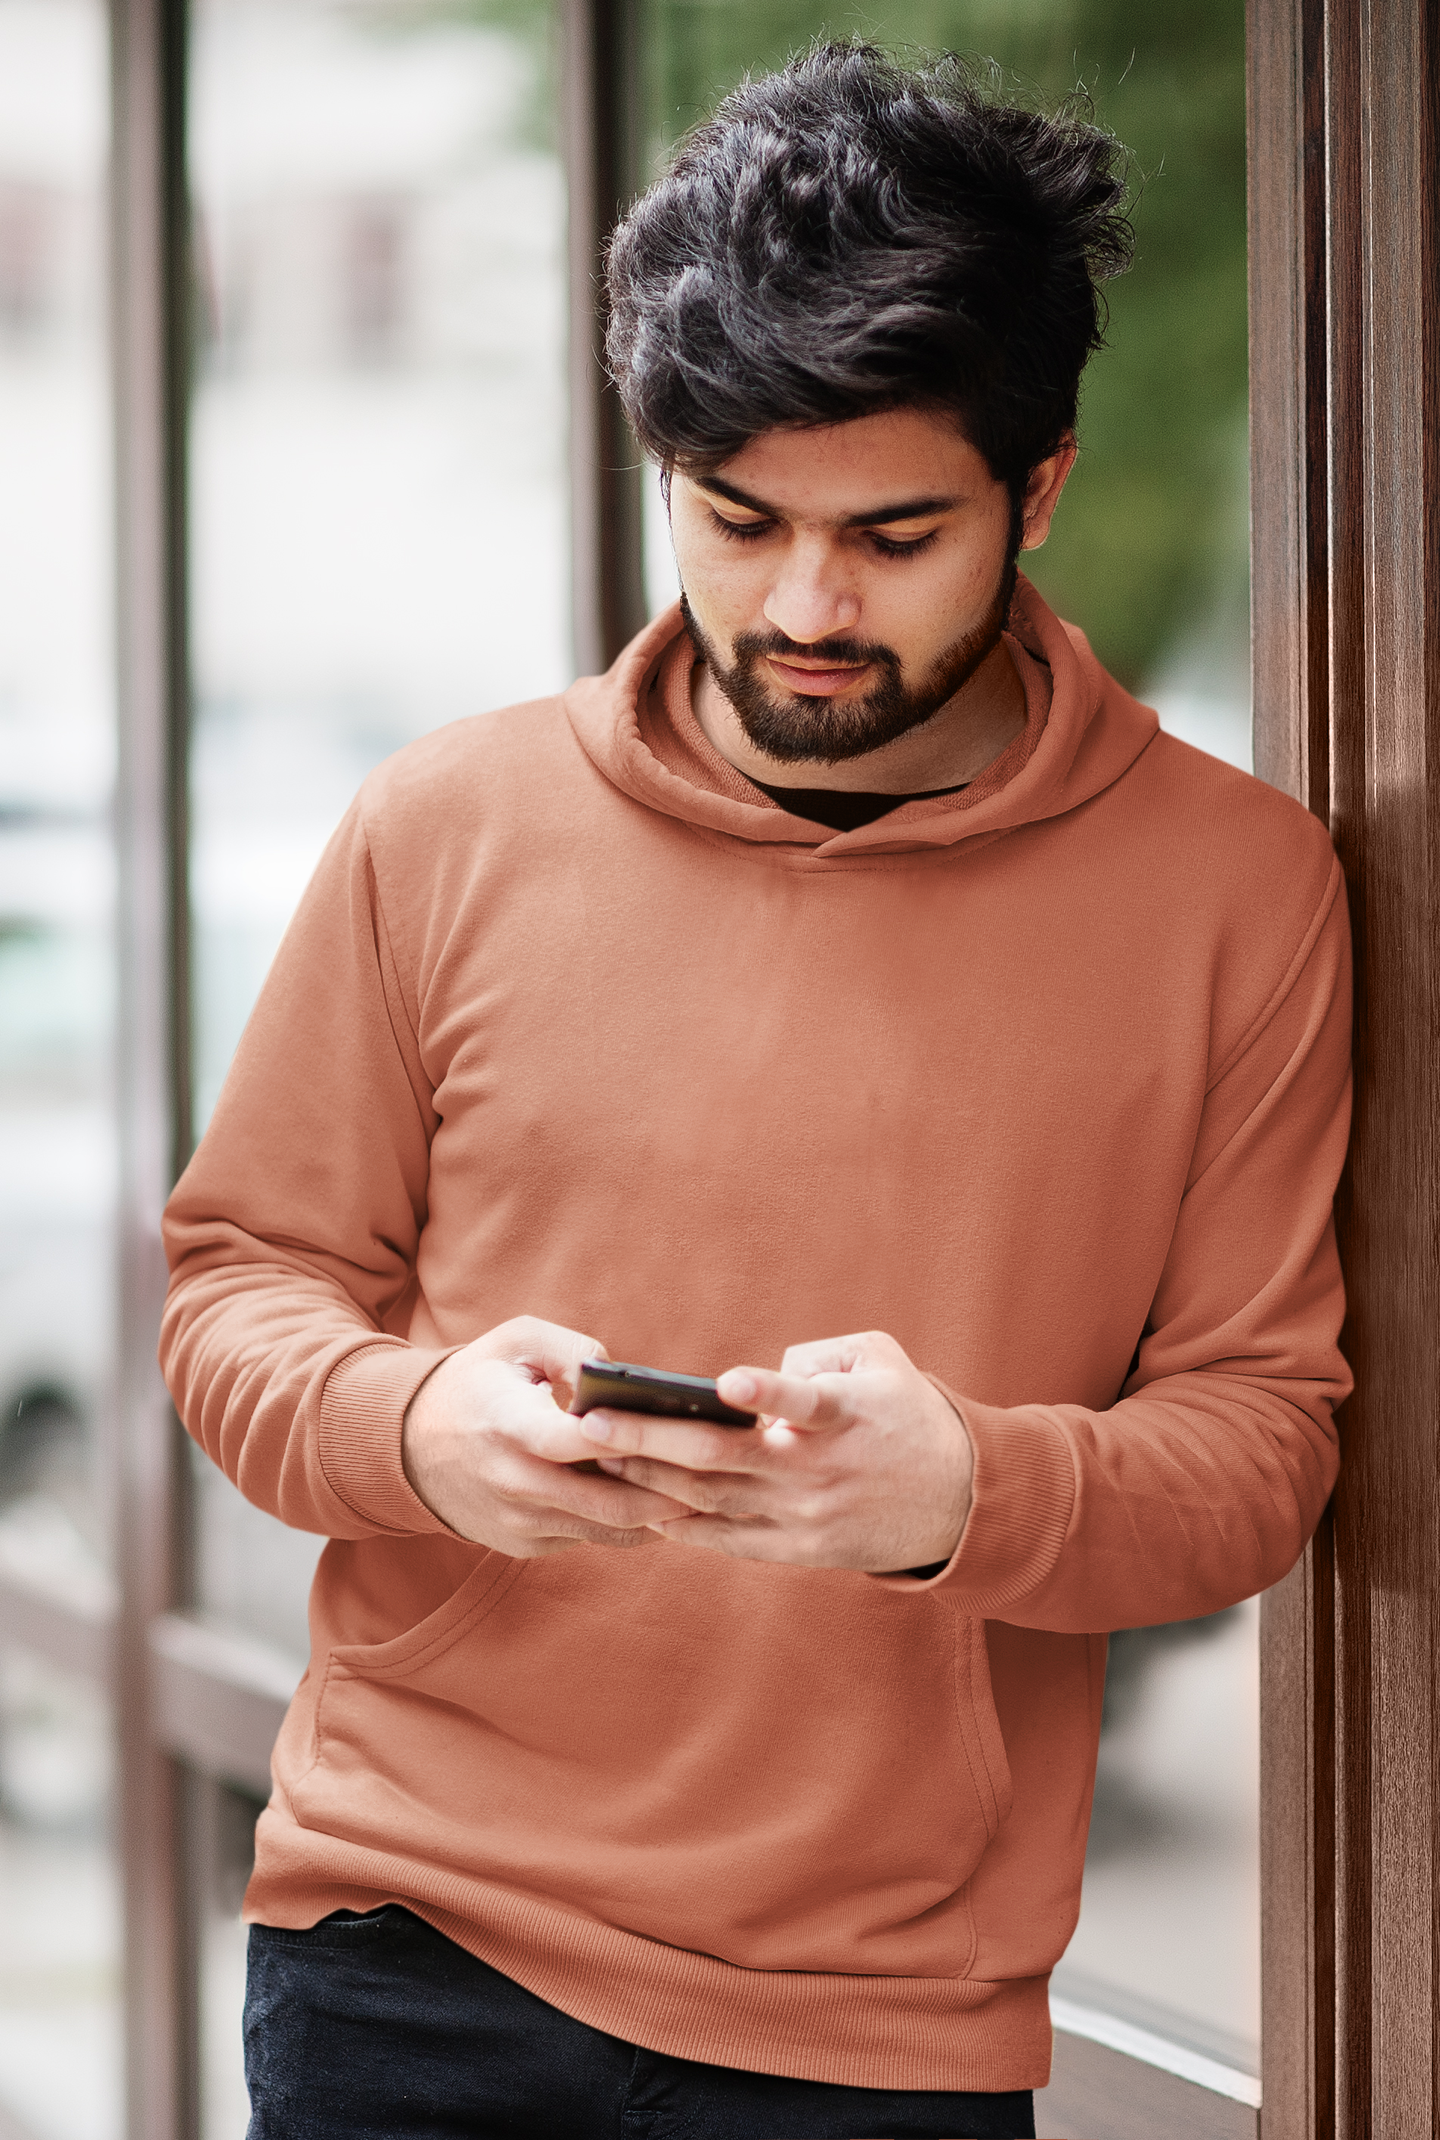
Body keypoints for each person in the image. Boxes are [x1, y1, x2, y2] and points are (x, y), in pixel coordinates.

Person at [160, 41, 1350, 2140]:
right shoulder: (445, 826)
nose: (806, 607)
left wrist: (962, 1497)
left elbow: (1263, 1446)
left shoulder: (1236, 893)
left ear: (1039, 487)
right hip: (402, 1961)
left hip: (880, 2040)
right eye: (739, 520)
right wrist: (419, 1424)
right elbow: (234, 1295)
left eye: (895, 534)